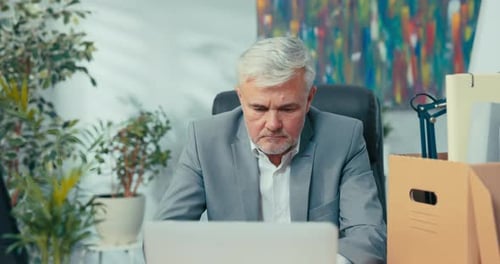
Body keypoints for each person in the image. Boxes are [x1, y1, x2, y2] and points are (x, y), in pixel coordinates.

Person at [156, 36, 386, 263]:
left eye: (287, 109)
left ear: (308, 99)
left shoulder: (343, 138)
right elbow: (164, 238)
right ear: (241, 98)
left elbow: (368, 236)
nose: (273, 124)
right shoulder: (206, 141)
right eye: (258, 108)